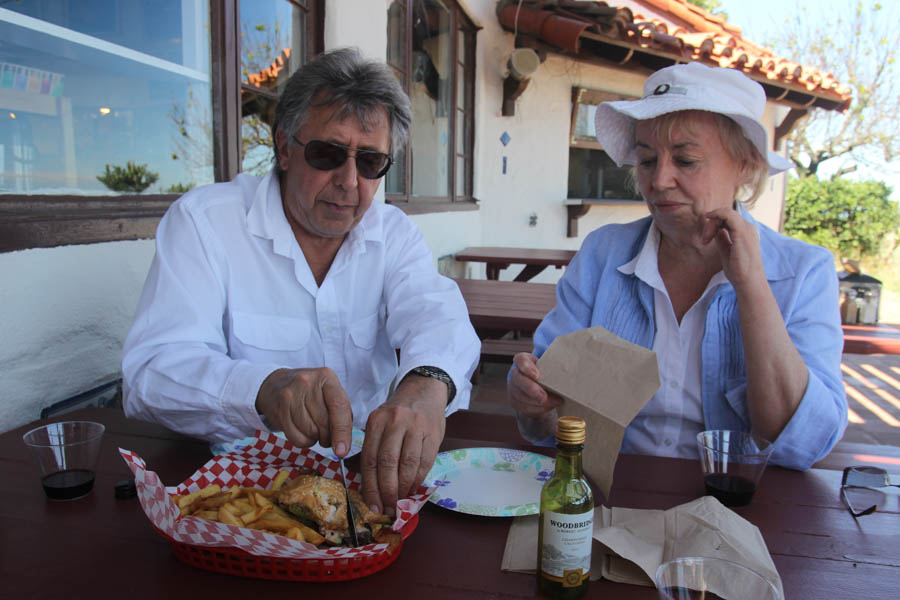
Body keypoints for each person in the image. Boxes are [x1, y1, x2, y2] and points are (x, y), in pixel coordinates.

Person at [122, 47, 480, 515]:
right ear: (285, 148)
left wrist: (426, 385)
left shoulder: (393, 233)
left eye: (370, 162)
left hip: (371, 480)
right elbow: (150, 374)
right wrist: (262, 388)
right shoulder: (205, 222)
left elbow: (436, 313)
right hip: (242, 490)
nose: (349, 181)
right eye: (328, 154)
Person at [508, 62, 846, 471]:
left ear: (745, 165)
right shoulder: (603, 254)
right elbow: (549, 417)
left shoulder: (804, 272)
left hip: (735, 496)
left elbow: (803, 445)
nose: (659, 181)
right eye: (647, 160)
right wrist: (534, 400)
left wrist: (752, 286)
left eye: (685, 160)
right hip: (610, 486)